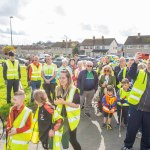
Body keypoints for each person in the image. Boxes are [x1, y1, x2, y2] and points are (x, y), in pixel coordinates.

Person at [121, 53, 150, 150]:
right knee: (132, 129)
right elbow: (131, 74)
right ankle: (128, 146)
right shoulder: (141, 73)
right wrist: (135, 62)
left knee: (147, 132)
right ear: (147, 62)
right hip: (135, 107)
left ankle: (145, 148)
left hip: (148, 111)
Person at [55, 69, 81, 150]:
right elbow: (55, 101)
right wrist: (56, 102)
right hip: (60, 117)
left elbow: (77, 105)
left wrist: (64, 102)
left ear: (68, 78)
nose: (61, 80)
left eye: (63, 78)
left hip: (71, 119)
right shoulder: (57, 88)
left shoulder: (74, 89)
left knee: (72, 139)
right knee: (61, 137)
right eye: (60, 78)